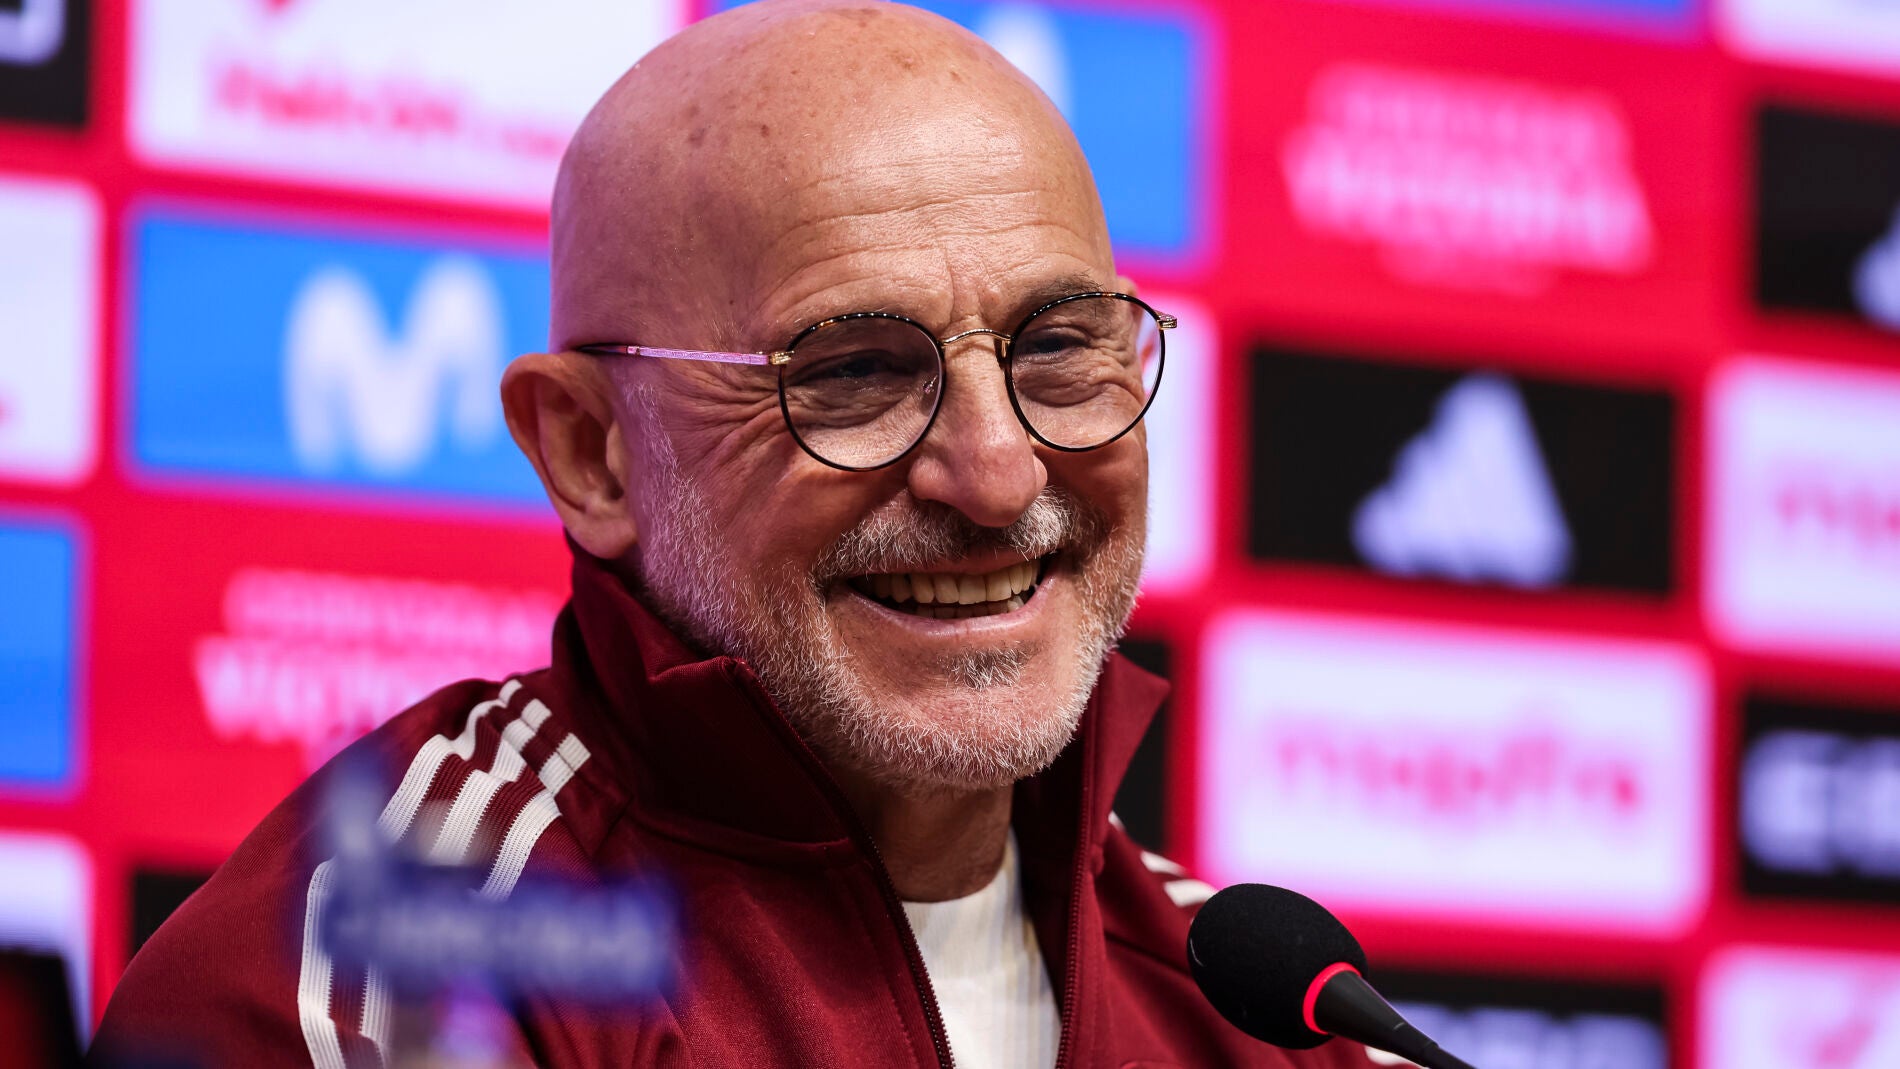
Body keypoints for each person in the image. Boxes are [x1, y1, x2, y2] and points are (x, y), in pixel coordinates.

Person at [92, 2, 1382, 1066]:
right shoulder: (386, 979)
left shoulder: (1275, 1019)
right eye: (855, 373)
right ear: (591, 453)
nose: (997, 474)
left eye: (1057, 348)